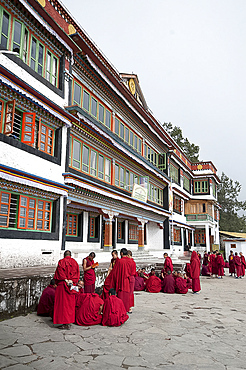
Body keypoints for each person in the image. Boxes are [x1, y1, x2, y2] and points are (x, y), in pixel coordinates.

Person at [53, 250, 80, 330]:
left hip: (62, 286)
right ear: (70, 255)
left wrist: (65, 280)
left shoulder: (61, 262)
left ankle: (64, 323)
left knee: (62, 305)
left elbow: (59, 273)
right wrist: (71, 281)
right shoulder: (74, 262)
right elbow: (77, 274)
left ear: (64, 255)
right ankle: (68, 322)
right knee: (69, 305)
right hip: (71, 286)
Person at [112, 248, 132, 313]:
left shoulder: (120, 261)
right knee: (126, 295)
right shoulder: (131, 261)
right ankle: (126, 308)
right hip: (127, 281)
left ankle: (121, 309)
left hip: (120, 281)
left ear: (121, 253)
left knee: (121, 295)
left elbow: (115, 272)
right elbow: (133, 272)